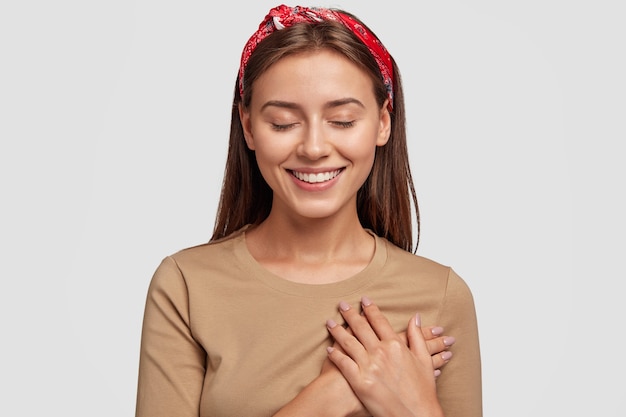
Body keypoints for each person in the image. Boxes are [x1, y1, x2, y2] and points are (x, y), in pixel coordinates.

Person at [135, 4, 481, 417]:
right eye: (282, 123)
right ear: (248, 127)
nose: (314, 148)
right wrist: (329, 396)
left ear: (383, 123)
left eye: (343, 120)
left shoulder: (440, 296)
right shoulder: (187, 286)